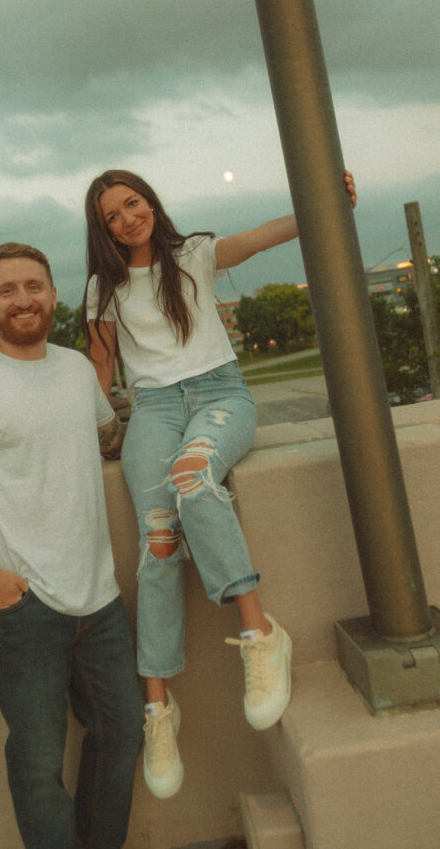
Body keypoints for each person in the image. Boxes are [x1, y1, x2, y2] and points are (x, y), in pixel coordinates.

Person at [82, 169, 357, 800]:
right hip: (150, 410)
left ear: (150, 201)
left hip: (219, 396)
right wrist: (90, 434)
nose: (129, 218)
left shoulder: (193, 255)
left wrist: (322, 201)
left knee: (194, 480)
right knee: (157, 544)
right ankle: (159, 709)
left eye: (134, 203)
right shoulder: (104, 289)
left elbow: (261, 237)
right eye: (113, 215)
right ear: (102, 230)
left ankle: (261, 635)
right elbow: (101, 370)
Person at [0, 241, 144, 849]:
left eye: (34, 286)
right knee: (39, 764)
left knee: (122, 731)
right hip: (20, 607)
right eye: (8, 290)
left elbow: (106, 434)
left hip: (97, 599)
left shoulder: (75, 370)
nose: (24, 299)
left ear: (51, 293)